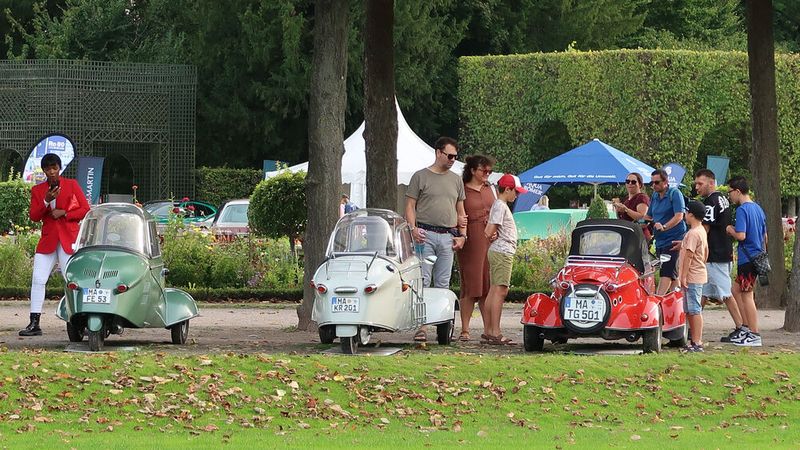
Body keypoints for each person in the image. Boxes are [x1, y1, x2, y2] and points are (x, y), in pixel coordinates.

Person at [20, 153, 90, 336]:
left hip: (68, 239)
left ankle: (81, 322)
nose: (51, 172)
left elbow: (85, 209)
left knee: (73, 281)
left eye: (54, 168)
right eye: (48, 169)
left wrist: (65, 213)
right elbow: (34, 216)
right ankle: (34, 323)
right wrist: (46, 201)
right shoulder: (38, 190)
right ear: (43, 170)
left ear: (59, 168)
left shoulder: (72, 185)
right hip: (48, 240)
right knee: (38, 279)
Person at [405, 136, 467, 342]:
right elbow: (410, 206)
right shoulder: (420, 177)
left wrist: (462, 236)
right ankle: (421, 326)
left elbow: (461, 211)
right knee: (422, 280)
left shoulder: (456, 179)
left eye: (455, 157)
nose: (452, 160)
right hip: (424, 236)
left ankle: (442, 327)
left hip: (448, 236)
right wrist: (413, 228)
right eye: (449, 155)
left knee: (442, 282)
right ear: (438, 152)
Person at [693, 169, 743, 342]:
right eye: (696, 184)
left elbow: (704, 228)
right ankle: (692, 327)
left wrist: (690, 244)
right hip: (722, 251)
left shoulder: (710, 202)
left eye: (700, 183)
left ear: (711, 183)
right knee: (703, 293)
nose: (697, 187)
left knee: (726, 293)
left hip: (715, 254)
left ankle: (741, 327)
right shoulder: (722, 198)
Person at [482, 173, 528, 345]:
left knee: (494, 289)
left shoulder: (498, 205)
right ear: (507, 189)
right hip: (503, 252)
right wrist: (492, 234)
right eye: (515, 191)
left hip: (498, 251)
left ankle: (488, 331)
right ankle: (495, 332)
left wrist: (493, 234)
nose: (516, 195)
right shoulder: (501, 205)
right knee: (500, 291)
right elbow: (489, 230)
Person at [455, 154, 496, 341]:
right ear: (472, 170)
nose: (487, 174)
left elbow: (497, 212)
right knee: (471, 285)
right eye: (483, 170)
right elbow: (457, 213)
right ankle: (465, 329)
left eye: (489, 171)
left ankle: (488, 329)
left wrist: (497, 231)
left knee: (487, 284)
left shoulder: (490, 189)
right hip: (471, 239)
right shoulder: (462, 190)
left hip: (489, 238)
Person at [725, 176, 767, 347]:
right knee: (736, 289)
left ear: (737, 191)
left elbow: (741, 235)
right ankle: (745, 327)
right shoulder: (758, 209)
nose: (729, 196)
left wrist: (730, 230)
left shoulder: (743, 210)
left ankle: (754, 333)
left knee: (747, 295)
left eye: (730, 193)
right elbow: (765, 236)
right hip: (757, 256)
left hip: (747, 257)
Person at [645, 168, 687, 294]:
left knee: (666, 273)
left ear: (666, 181)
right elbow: (649, 216)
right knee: (673, 274)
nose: (653, 186)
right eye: (651, 183)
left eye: (656, 183)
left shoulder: (674, 193)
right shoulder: (655, 195)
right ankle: (678, 302)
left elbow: (679, 216)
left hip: (674, 239)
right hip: (660, 241)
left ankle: (658, 300)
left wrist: (664, 227)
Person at [678, 200, 709, 352]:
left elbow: (689, 256)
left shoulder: (693, 233)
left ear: (691, 214)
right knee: (690, 309)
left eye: (686, 212)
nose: (685, 215)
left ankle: (697, 342)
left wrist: (683, 276)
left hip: (692, 277)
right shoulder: (702, 231)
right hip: (698, 274)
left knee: (694, 309)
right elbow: (706, 253)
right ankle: (693, 341)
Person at [613, 172, 651, 241]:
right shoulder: (626, 199)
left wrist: (626, 210)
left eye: (633, 182)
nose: (630, 183)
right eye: (627, 181)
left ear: (640, 185)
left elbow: (642, 219)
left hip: (638, 237)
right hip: (627, 236)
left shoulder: (642, 197)